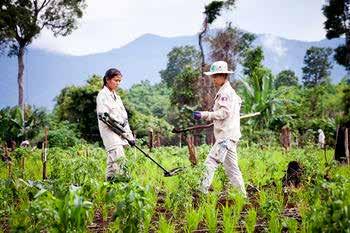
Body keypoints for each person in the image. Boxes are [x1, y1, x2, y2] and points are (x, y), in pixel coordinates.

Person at [193, 61, 246, 196]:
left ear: (223, 76)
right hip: (230, 135)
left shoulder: (226, 93)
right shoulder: (230, 92)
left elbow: (224, 113)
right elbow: (230, 113)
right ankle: (243, 195)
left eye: (215, 76)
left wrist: (205, 115)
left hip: (226, 137)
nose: (213, 79)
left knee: (211, 162)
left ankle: (201, 192)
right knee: (232, 168)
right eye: (213, 76)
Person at [96, 68, 135, 182]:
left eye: (119, 81)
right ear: (108, 80)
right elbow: (104, 117)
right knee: (119, 160)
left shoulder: (117, 97)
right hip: (109, 133)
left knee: (112, 164)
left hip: (120, 132)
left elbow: (124, 118)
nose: (118, 83)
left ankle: (107, 188)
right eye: (116, 80)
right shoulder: (102, 95)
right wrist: (121, 131)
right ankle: (126, 185)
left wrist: (130, 136)